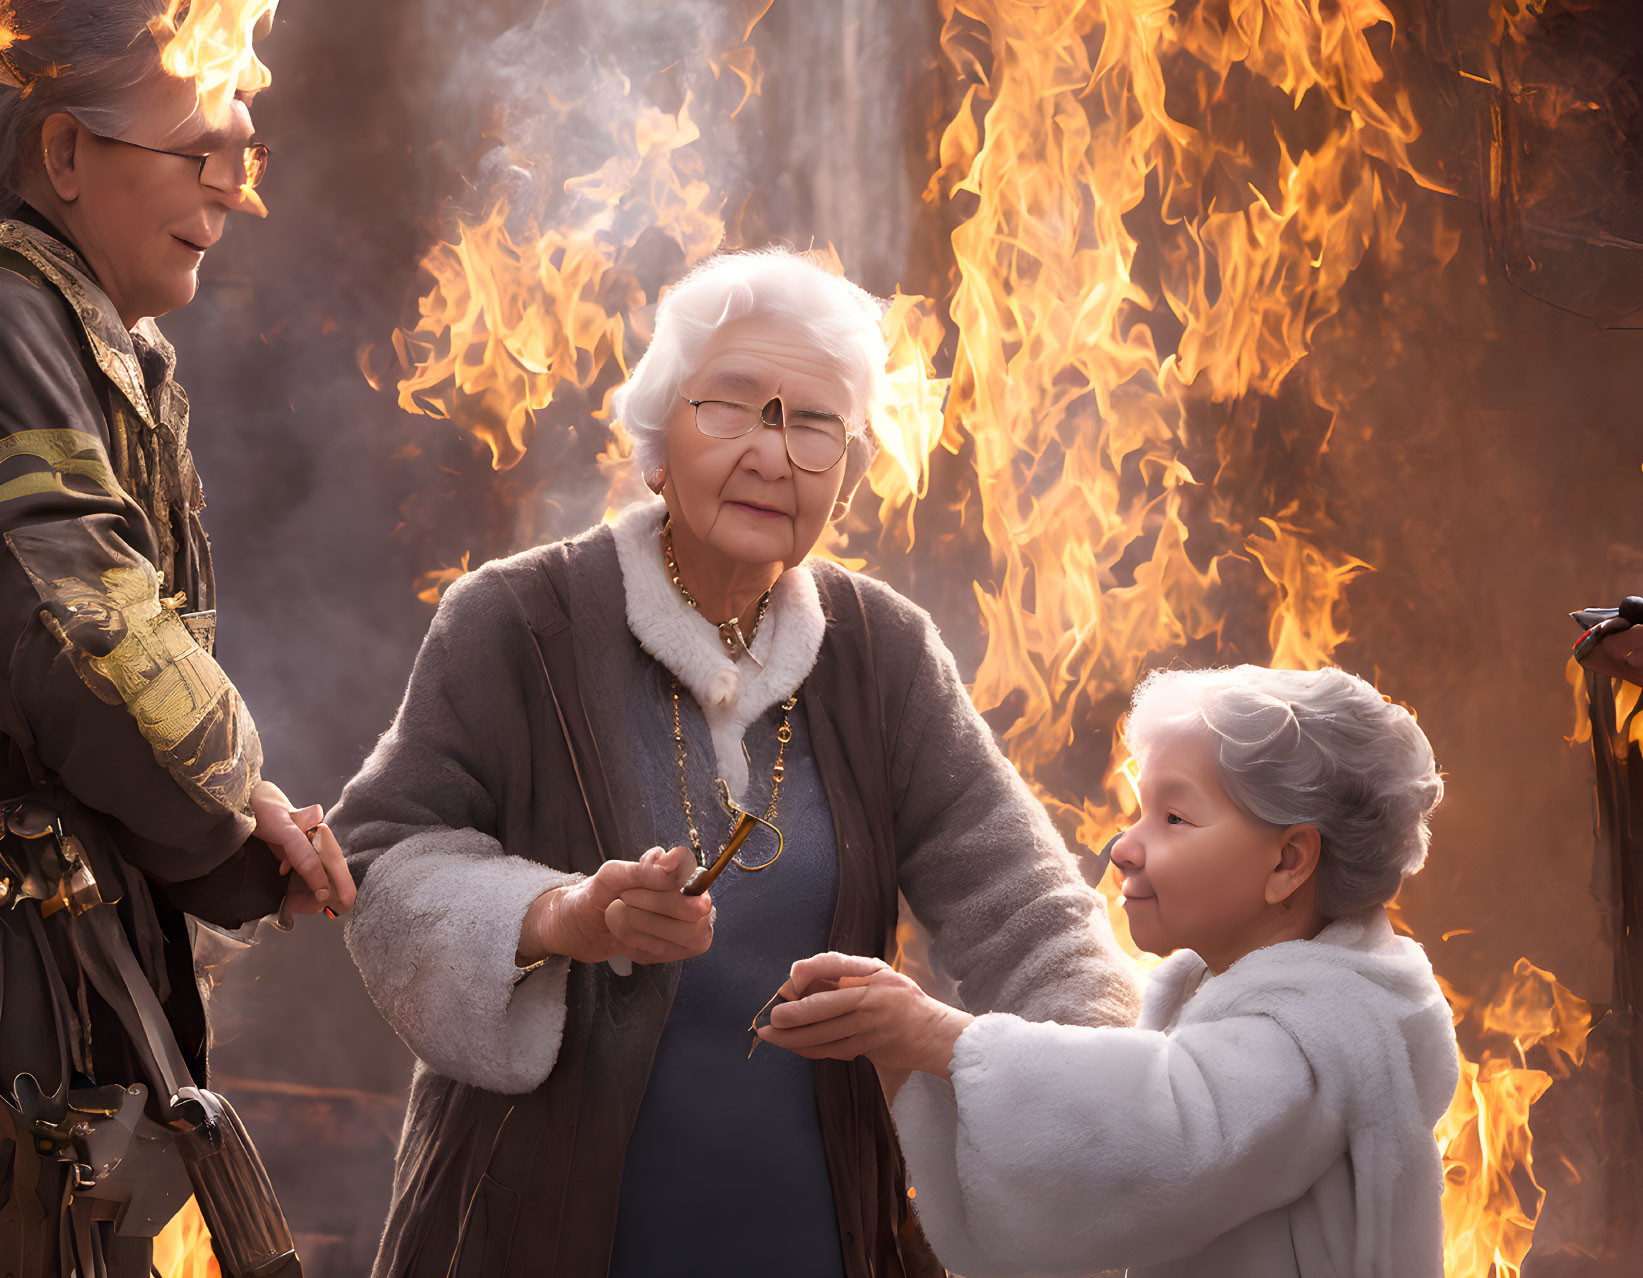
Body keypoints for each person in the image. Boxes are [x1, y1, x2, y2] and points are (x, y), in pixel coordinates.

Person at [331, 247, 1142, 1278]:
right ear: (655, 440)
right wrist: (559, 916)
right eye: (732, 407)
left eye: (814, 424)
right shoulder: (517, 620)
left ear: (845, 475)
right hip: (533, 1235)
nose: (772, 455)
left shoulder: (880, 651)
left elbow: (1027, 913)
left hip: (815, 1236)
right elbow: (384, 857)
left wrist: (1109, 1097)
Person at [0, 5, 353, 1275]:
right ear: (64, 155)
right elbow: (82, 627)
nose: (231, 192)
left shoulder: (90, 332)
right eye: (196, 153)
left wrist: (228, 814)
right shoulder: (7, 320)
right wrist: (230, 800)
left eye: (241, 156)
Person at [762, 664, 1461, 1278]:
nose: (1123, 845)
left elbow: (1168, 1138)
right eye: (1137, 811)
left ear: (1287, 862)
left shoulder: (1320, 1033)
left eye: (1173, 817)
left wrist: (941, 1040)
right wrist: (911, 1060)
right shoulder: (1271, 991)